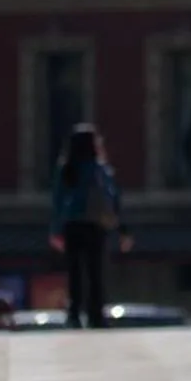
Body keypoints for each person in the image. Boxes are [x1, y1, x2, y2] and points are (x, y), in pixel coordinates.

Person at [49, 123, 130, 328]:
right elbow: (113, 198)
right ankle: (96, 315)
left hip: (72, 225)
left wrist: (56, 230)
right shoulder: (100, 169)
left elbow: (58, 201)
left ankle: (74, 314)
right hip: (95, 224)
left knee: (74, 272)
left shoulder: (66, 169)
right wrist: (121, 228)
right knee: (96, 271)